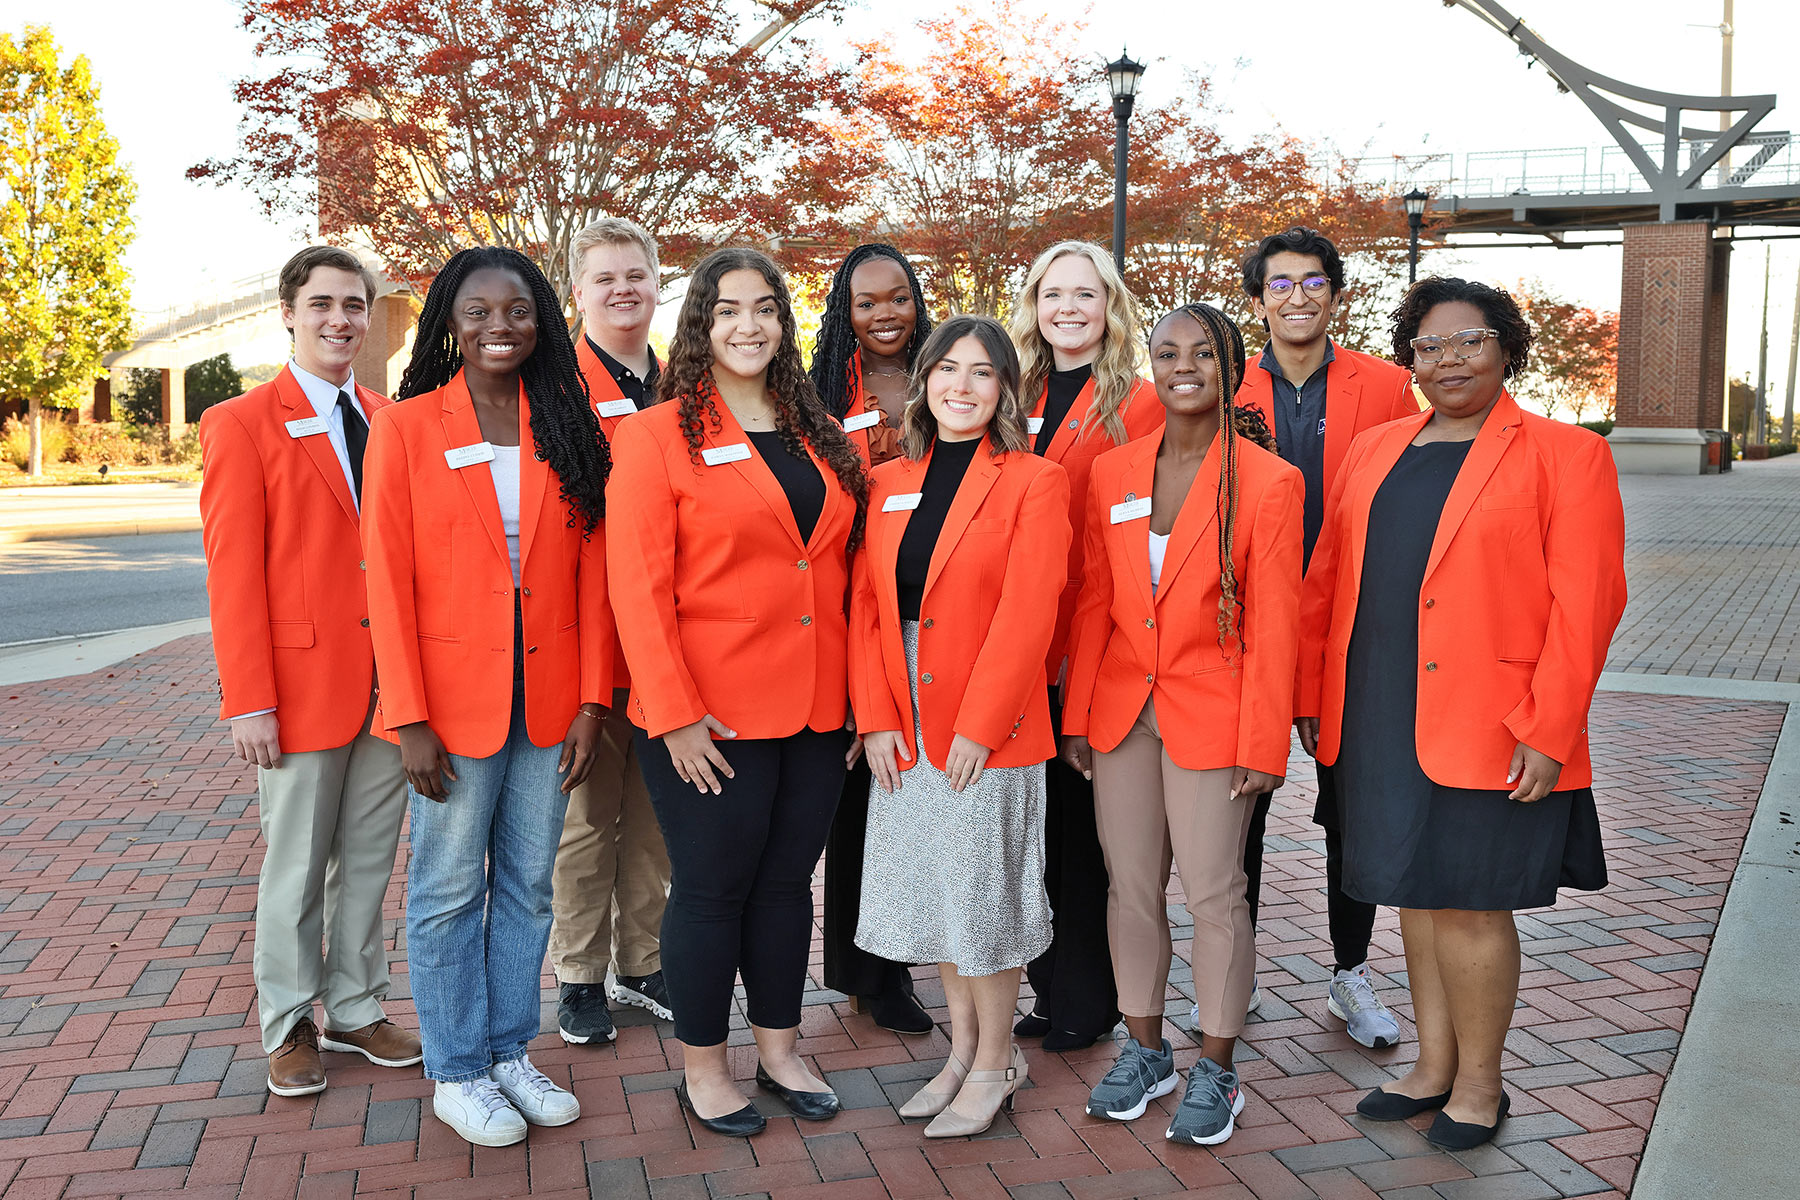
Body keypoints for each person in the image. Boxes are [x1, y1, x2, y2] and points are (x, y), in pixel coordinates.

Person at [1295, 277, 1625, 1150]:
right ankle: (1431, 1068)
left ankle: (1481, 1086)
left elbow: (1586, 607)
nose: (1447, 360)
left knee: (1473, 904)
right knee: (1413, 893)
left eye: (1469, 340)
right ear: (1410, 357)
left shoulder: (1567, 455)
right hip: (1377, 713)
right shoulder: (1373, 450)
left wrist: (1549, 730)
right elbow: (1326, 582)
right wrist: (1309, 704)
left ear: (1507, 348)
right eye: (1428, 345)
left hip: (1496, 721)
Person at [607, 247, 868, 1138]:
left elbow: (835, 572)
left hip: (813, 709)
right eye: (727, 310)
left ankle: (781, 1050)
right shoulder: (655, 435)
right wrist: (674, 713)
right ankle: (705, 1068)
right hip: (706, 715)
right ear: (700, 326)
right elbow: (636, 589)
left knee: (787, 886)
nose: (748, 325)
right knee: (713, 888)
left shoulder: (817, 429)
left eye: (764, 308)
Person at [362, 246, 612, 1147]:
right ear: (448, 323)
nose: (499, 326)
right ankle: (458, 1069)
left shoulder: (567, 424)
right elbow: (386, 580)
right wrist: (410, 716)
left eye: (517, 310)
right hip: (450, 706)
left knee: (529, 887)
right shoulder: (407, 424)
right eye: (477, 310)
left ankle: (510, 1049)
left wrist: (592, 702)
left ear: (542, 318)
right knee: (442, 892)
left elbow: (593, 578)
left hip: (549, 700)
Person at [1062, 303, 1302, 1146]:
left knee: (1211, 892)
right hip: (1124, 711)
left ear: (1232, 366)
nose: (1183, 366)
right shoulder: (1114, 472)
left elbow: (1278, 624)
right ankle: (1146, 1049)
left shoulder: (1268, 481)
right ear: (1148, 367)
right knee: (1129, 888)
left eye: (1202, 352)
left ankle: (1218, 1067)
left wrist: (1264, 741)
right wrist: (1079, 714)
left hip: (1218, 715)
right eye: (1167, 353)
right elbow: (1095, 599)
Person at [198, 246, 421, 1098]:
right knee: (294, 866)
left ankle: (357, 1008)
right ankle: (288, 1022)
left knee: (367, 861)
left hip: (386, 690)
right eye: (321, 303)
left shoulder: (388, 416)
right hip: (294, 691)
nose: (339, 320)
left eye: (354, 305)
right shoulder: (242, 421)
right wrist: (246, 698)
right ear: (288, 312)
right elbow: (233, 575)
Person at [851, 314, 1070, 1137]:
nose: (962, 386)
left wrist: (982, 724)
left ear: (1005, 388)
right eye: (948, 369)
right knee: (941, 894)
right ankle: (964, 1050)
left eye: (983, 373)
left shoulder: (1032, 481)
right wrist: (874, 716)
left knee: (984, 899)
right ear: (924, 380)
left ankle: (994, 1062)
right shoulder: (888, 480)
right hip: (903, 712)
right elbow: (868, 607)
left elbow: (1029, 614)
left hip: (990, 720)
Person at [1234, 227, 1421, 1049]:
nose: (1298, 297)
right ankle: (1230, 976)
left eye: (1313, 282)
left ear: (1334, 294)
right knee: (1239, 812)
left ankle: (1351, 974)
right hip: (1245, 633)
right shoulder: (1224, 383)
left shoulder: (1386, 387)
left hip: (1353, 631)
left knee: (1352, 814)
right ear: (1257, 300)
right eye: (1280, 284)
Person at [1006, 241, 1163, 1051]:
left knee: (1080, 839)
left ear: (1110, 306)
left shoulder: (1140, 404)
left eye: (1085, 294)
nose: (1068, 308)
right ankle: (1046, 989)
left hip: (1086, 646)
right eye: (1053, 293)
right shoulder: (1005, 389)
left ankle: (1086, 999)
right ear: (1033, 303)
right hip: (1005, 648)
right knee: (1028, 835)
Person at [550, 217, 673, 1046]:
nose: (623, 289)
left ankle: (643, 960)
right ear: (578, 293)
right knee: (588, 820)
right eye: (605, 278)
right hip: (590, 639)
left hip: (671, 641)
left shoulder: (684, 383)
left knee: (658, 817)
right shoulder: (556, 387)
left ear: (658, 284)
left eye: (636, 275)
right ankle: (579, 974)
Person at [808, 242, 937, 1036]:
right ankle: (865, 975)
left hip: (931, 608)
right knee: (858, 800)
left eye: (898, 299)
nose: (885, 314)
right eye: (866, 302)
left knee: (914, 797)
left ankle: (905, 956)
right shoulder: (821, 394)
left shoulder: (948, 375)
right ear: (843, 312)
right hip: (846, 608)